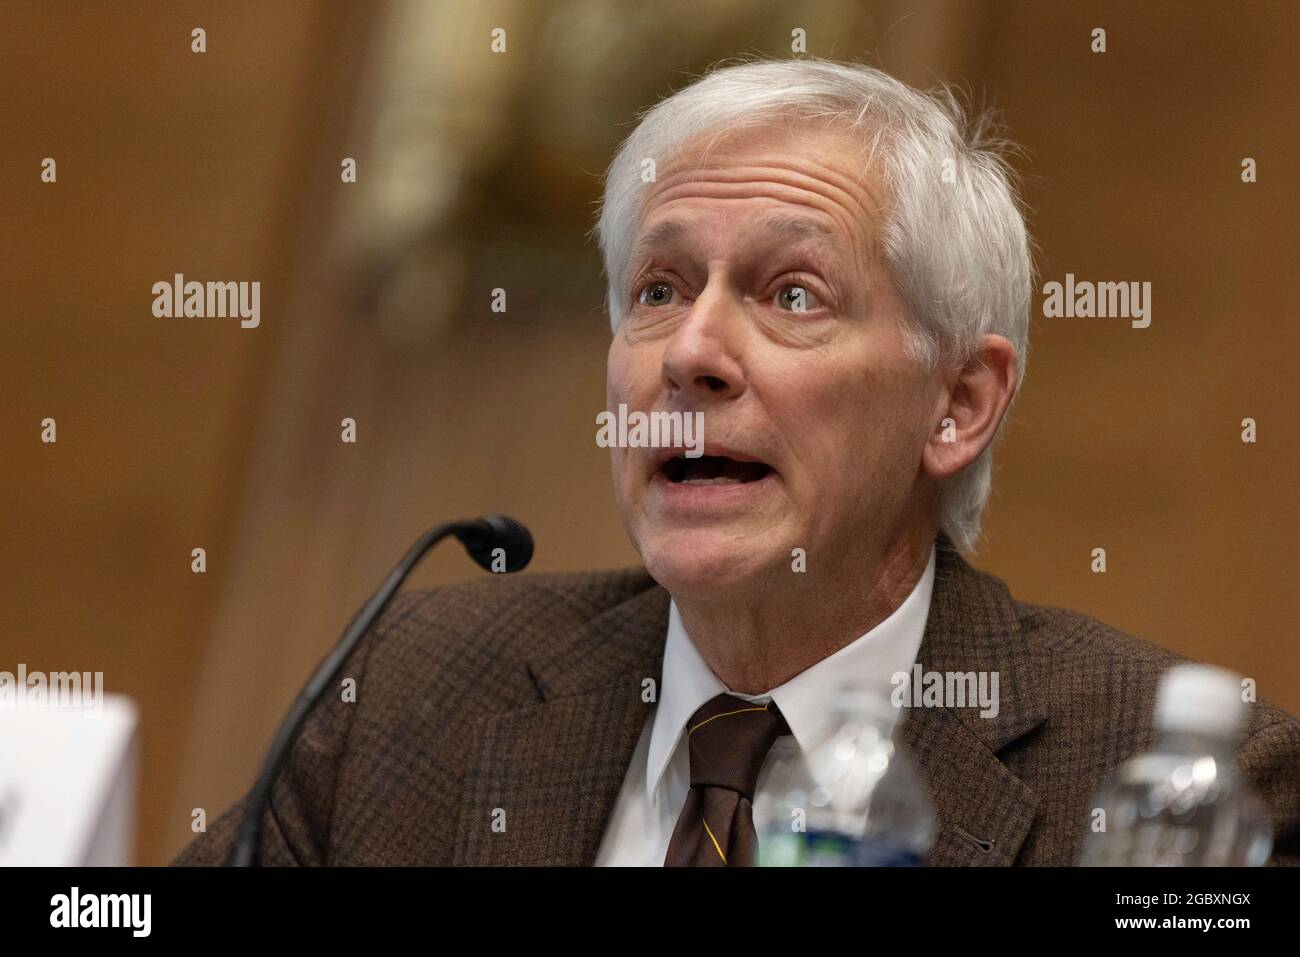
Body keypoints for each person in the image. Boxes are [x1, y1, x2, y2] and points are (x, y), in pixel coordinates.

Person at [174, 57, 1300, 867]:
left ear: (956, 405)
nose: (693, 355)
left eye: (791, 295)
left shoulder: (1168, 778)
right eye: (658, 292)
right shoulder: (418, 692)